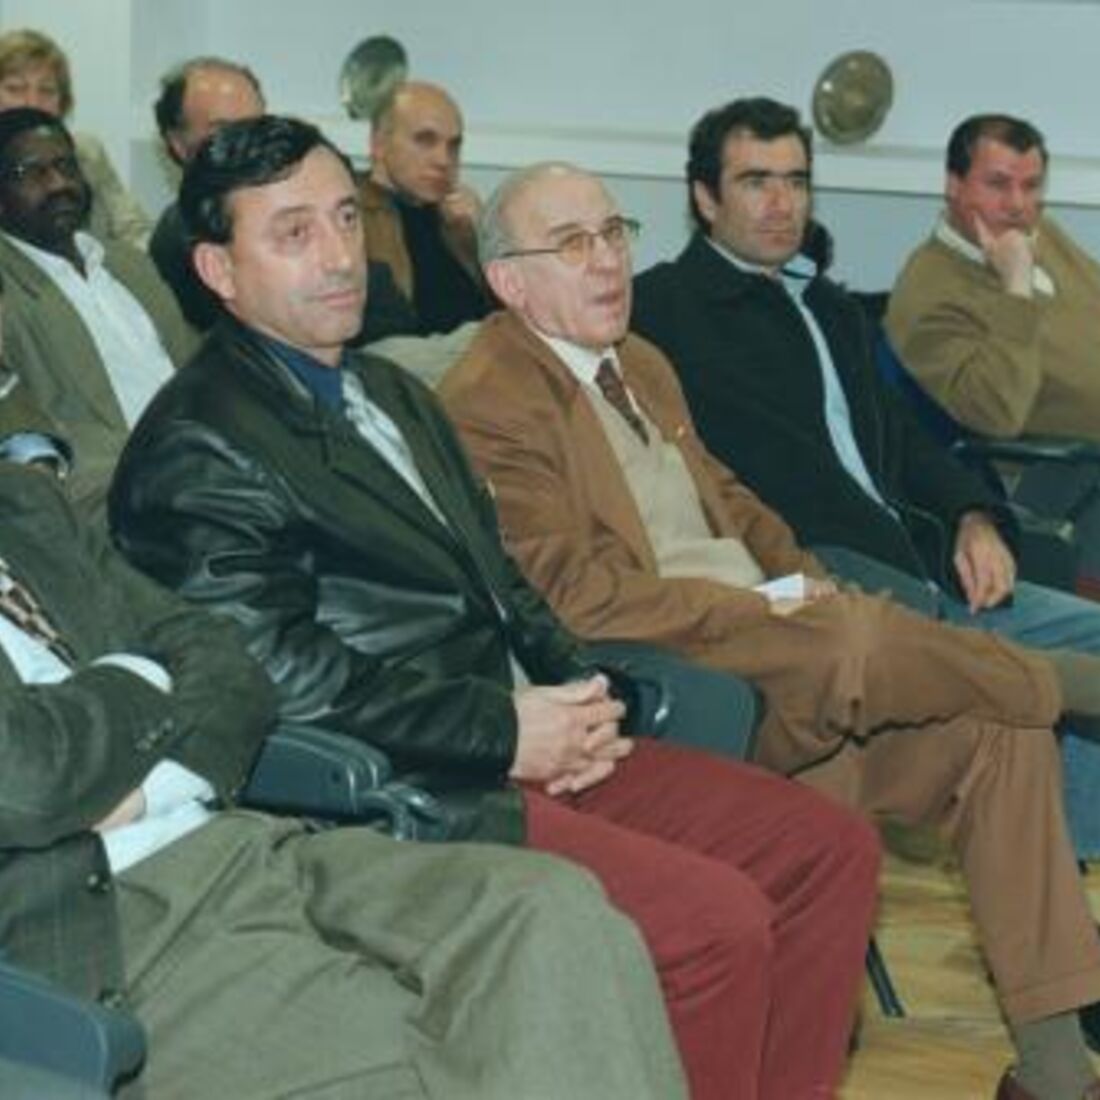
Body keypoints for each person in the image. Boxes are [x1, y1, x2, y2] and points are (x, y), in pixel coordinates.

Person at [108, 114, 882, 1100]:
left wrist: (587, 689)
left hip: (523, 734)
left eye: (344, 219)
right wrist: (501, 728)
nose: (340, 255)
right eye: (293, 233)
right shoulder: (200, 445)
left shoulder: (387, 387)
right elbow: (269, 679)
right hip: (404, 784)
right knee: (711, 924)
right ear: (218, 270)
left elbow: (500, 579)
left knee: (827, 851)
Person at [438, 158, 1100, 1100]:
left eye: (616, 232)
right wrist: (772, 612)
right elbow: (580, 601)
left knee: (997, 728)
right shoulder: (489, 399)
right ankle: (1071, 682)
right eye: (573, 244)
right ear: (509, 281)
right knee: (864, 640)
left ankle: (1054, 1073)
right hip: (688, 682)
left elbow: (733, 503)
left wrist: (807, 581)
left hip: (789, 664)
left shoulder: (642, 362)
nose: (608, 261)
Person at [630, 96, 1100, 859]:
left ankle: (1075, 867)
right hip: (837, 592)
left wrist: (975, 515)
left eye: (796, 180)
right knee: (1062, 678)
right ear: (704, 196)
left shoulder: (825, 303)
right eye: (756, 181)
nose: (782, 202)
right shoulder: (661, 313)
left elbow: (906, 441)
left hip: (928, 561)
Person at [0, 107, 194, 518]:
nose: (58, 185)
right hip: (116, 493)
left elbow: (195, 370)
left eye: (65, 166)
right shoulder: (8, 289)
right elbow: (28, 432)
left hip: (208, 462)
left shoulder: (131, 266)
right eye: (30, 173)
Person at [887, 113, 1100, 443]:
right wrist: (1016, 287)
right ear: (953, 185)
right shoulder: (926, 293)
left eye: (1031, 186)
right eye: (998, 184)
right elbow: (994, 416)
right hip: (1064, 476)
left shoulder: (1041, 232)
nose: (1017, 205)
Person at [0, 28, 150, 248]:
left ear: (63, 103)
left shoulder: (86, 152)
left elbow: (132, 229)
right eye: (15, 89)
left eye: (47, 90)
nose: (32, 102)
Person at [362, 80, 492, 334]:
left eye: (453, 146)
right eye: (425, 140)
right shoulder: (349, 218)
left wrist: (479, 241)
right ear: (379, 144)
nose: (444, 160)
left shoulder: (457, 219)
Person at [151, 57, 266, 330]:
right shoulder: (184, 236)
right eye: (225, 131)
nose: (247, 142)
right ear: (179, 144)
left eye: (256, 126)